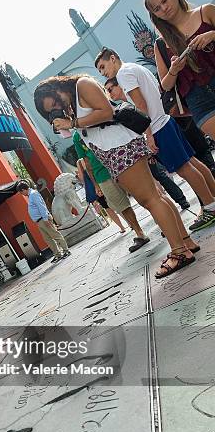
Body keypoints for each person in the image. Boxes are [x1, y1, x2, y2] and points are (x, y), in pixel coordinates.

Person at [33, 76, 199, 278]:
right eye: (51, 110)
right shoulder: (74, 102)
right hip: (115, 151)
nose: (57, 107)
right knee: (155, 196)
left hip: (121, 148)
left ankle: (180, 252)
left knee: (151, 200)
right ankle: (185, 242)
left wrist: (72, 122)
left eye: (55, 102)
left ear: (57, 87)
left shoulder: (82, 85)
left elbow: (107, 112)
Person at [96, 47, 215, 231]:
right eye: (100, 71)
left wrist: (148, 135)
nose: (103, 73)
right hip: (165, 121)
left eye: (103, 67)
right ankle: (212, 200)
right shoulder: (135, 68)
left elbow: (140, 105)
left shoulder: (124, 74)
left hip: (158, 127)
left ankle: (210, 206)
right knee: (192, 163)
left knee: (185, 169)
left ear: (113, 58)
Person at [145, 0, 215, 154]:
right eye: (157, 8)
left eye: (165, 0)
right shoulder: (161, 43)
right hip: (199, 101)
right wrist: (174, 70)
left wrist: (212, 34)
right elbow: (165, 85)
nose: (164, 8)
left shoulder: (205, 11)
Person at [104, 77, 191, 210]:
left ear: (120, 85)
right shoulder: (119, 107)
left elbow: (144, 120)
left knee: (177, 170)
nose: (110, 93)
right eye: (107, 91)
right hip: (144, 145)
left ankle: (183, 201)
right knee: (158, 180)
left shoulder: (131, 100)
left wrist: (148, 141)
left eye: (111, 89)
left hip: (154, 137)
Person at [73, 130, 152, 250]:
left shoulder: (93, 119)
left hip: (120, 163)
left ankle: (160, 220)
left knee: (144, 195)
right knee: (121, 205)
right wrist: (95, 184)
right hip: (101, 175)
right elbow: (86, 162)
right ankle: (139, 233)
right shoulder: (76, 136)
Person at [16, 180, 71, 263]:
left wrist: (45, 219)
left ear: (23, 190)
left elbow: (41, 206)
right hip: (39, 221)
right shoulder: (31, 195)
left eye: (21, 192)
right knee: (48, 239)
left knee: (55, 235)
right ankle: (57, 254)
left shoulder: (33, 194)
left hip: (43, 219)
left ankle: (66, 251)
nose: (22, 194)